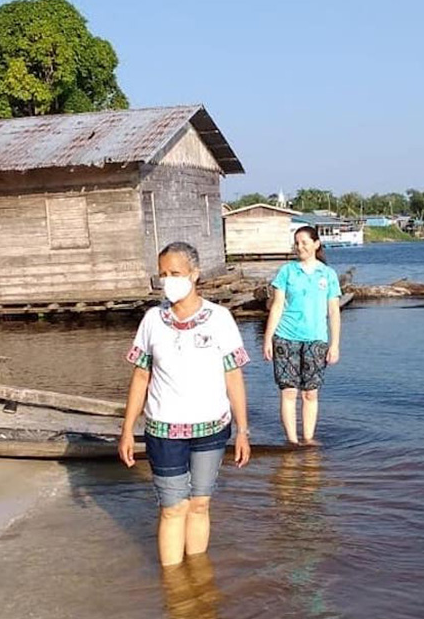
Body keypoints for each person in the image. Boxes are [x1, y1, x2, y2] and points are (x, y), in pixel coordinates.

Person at [119, 242, 252, 567]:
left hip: (211, 429)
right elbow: (141, 377)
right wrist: (126, 431)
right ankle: (174, 587)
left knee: (200, 504)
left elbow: (233, 377)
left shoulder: (220, 318)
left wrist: (243, 430)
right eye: (163, 274)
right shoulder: (152, 320)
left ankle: (198, 582)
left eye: (175, 273)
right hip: (164, 430)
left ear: (194, 274)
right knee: (172, 508)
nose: (168, 280)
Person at [263, 226, 342, 445]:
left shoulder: (327, 274)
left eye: (304, 242)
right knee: (289, 392)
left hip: (316, 340)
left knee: (310, 393)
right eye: (296, 243)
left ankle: (308, 439)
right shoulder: (287, 271)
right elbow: (277, 306)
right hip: (285, 337)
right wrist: (268, 338)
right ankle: (292, 441)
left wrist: (335, 344)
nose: (300, 247)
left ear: (316, 244)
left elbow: (334, 311)